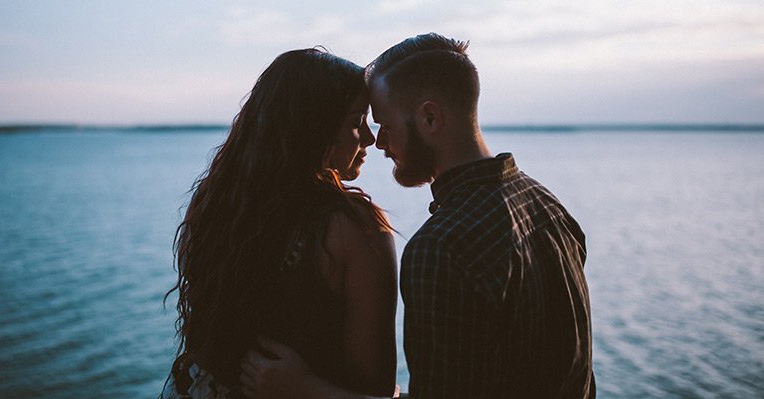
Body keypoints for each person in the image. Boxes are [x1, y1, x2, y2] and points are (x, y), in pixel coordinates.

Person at [239, 33, 595, 398]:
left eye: (385, 124)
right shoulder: (548, 207)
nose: (378, 142)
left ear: (429, 117)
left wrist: (305, 389)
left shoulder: (442, 247)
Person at [161, 48, 399, 399]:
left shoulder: (219, 204)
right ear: (314, 127)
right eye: (355, 121)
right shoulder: (357, 230)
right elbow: (376, 387)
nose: (369, 139)